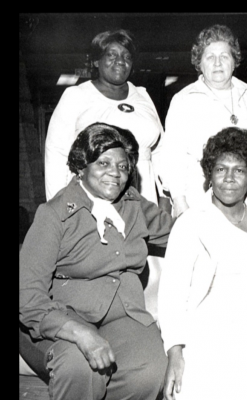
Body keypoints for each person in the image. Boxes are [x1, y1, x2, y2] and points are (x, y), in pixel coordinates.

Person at [19, 123, 173, 400]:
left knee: (150, 368)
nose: (115, 172)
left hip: (121, 315)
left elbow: (180, 230)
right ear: (82, 166)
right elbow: (27, 295)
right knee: (80, 367)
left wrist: (233, 205)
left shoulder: (132, 204)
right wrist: (80, 334)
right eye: (103, 163)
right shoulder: (54, 214)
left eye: (123, 167)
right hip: (60, 319)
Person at [43, 29, 167, 317]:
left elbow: (160, 148)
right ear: (96, 61)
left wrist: (166, 198)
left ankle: (139, 323)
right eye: (111, 55)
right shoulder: (76, 96)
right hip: (95, 195)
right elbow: (56, 154)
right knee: (104, 259)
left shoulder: (143, 96)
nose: (119, 61)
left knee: (142, 264)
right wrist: (62, 209)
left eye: (125, 56)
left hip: (141, 193)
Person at [158, 127, 247, 400]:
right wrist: (175, 352)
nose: (229, 178)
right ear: (209, 175)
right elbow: (171, 294)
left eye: (239, 170)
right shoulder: (191, 222)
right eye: (220, 169)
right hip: (206, 333)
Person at [158, 24, 247, 217]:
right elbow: (171, 158)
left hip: (246, 202)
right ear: (199, 63)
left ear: (235, 61)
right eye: (210, 57)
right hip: (198, 201)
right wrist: (180, 203)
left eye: (224, 56)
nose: (217, 63)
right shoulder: (184, 100)